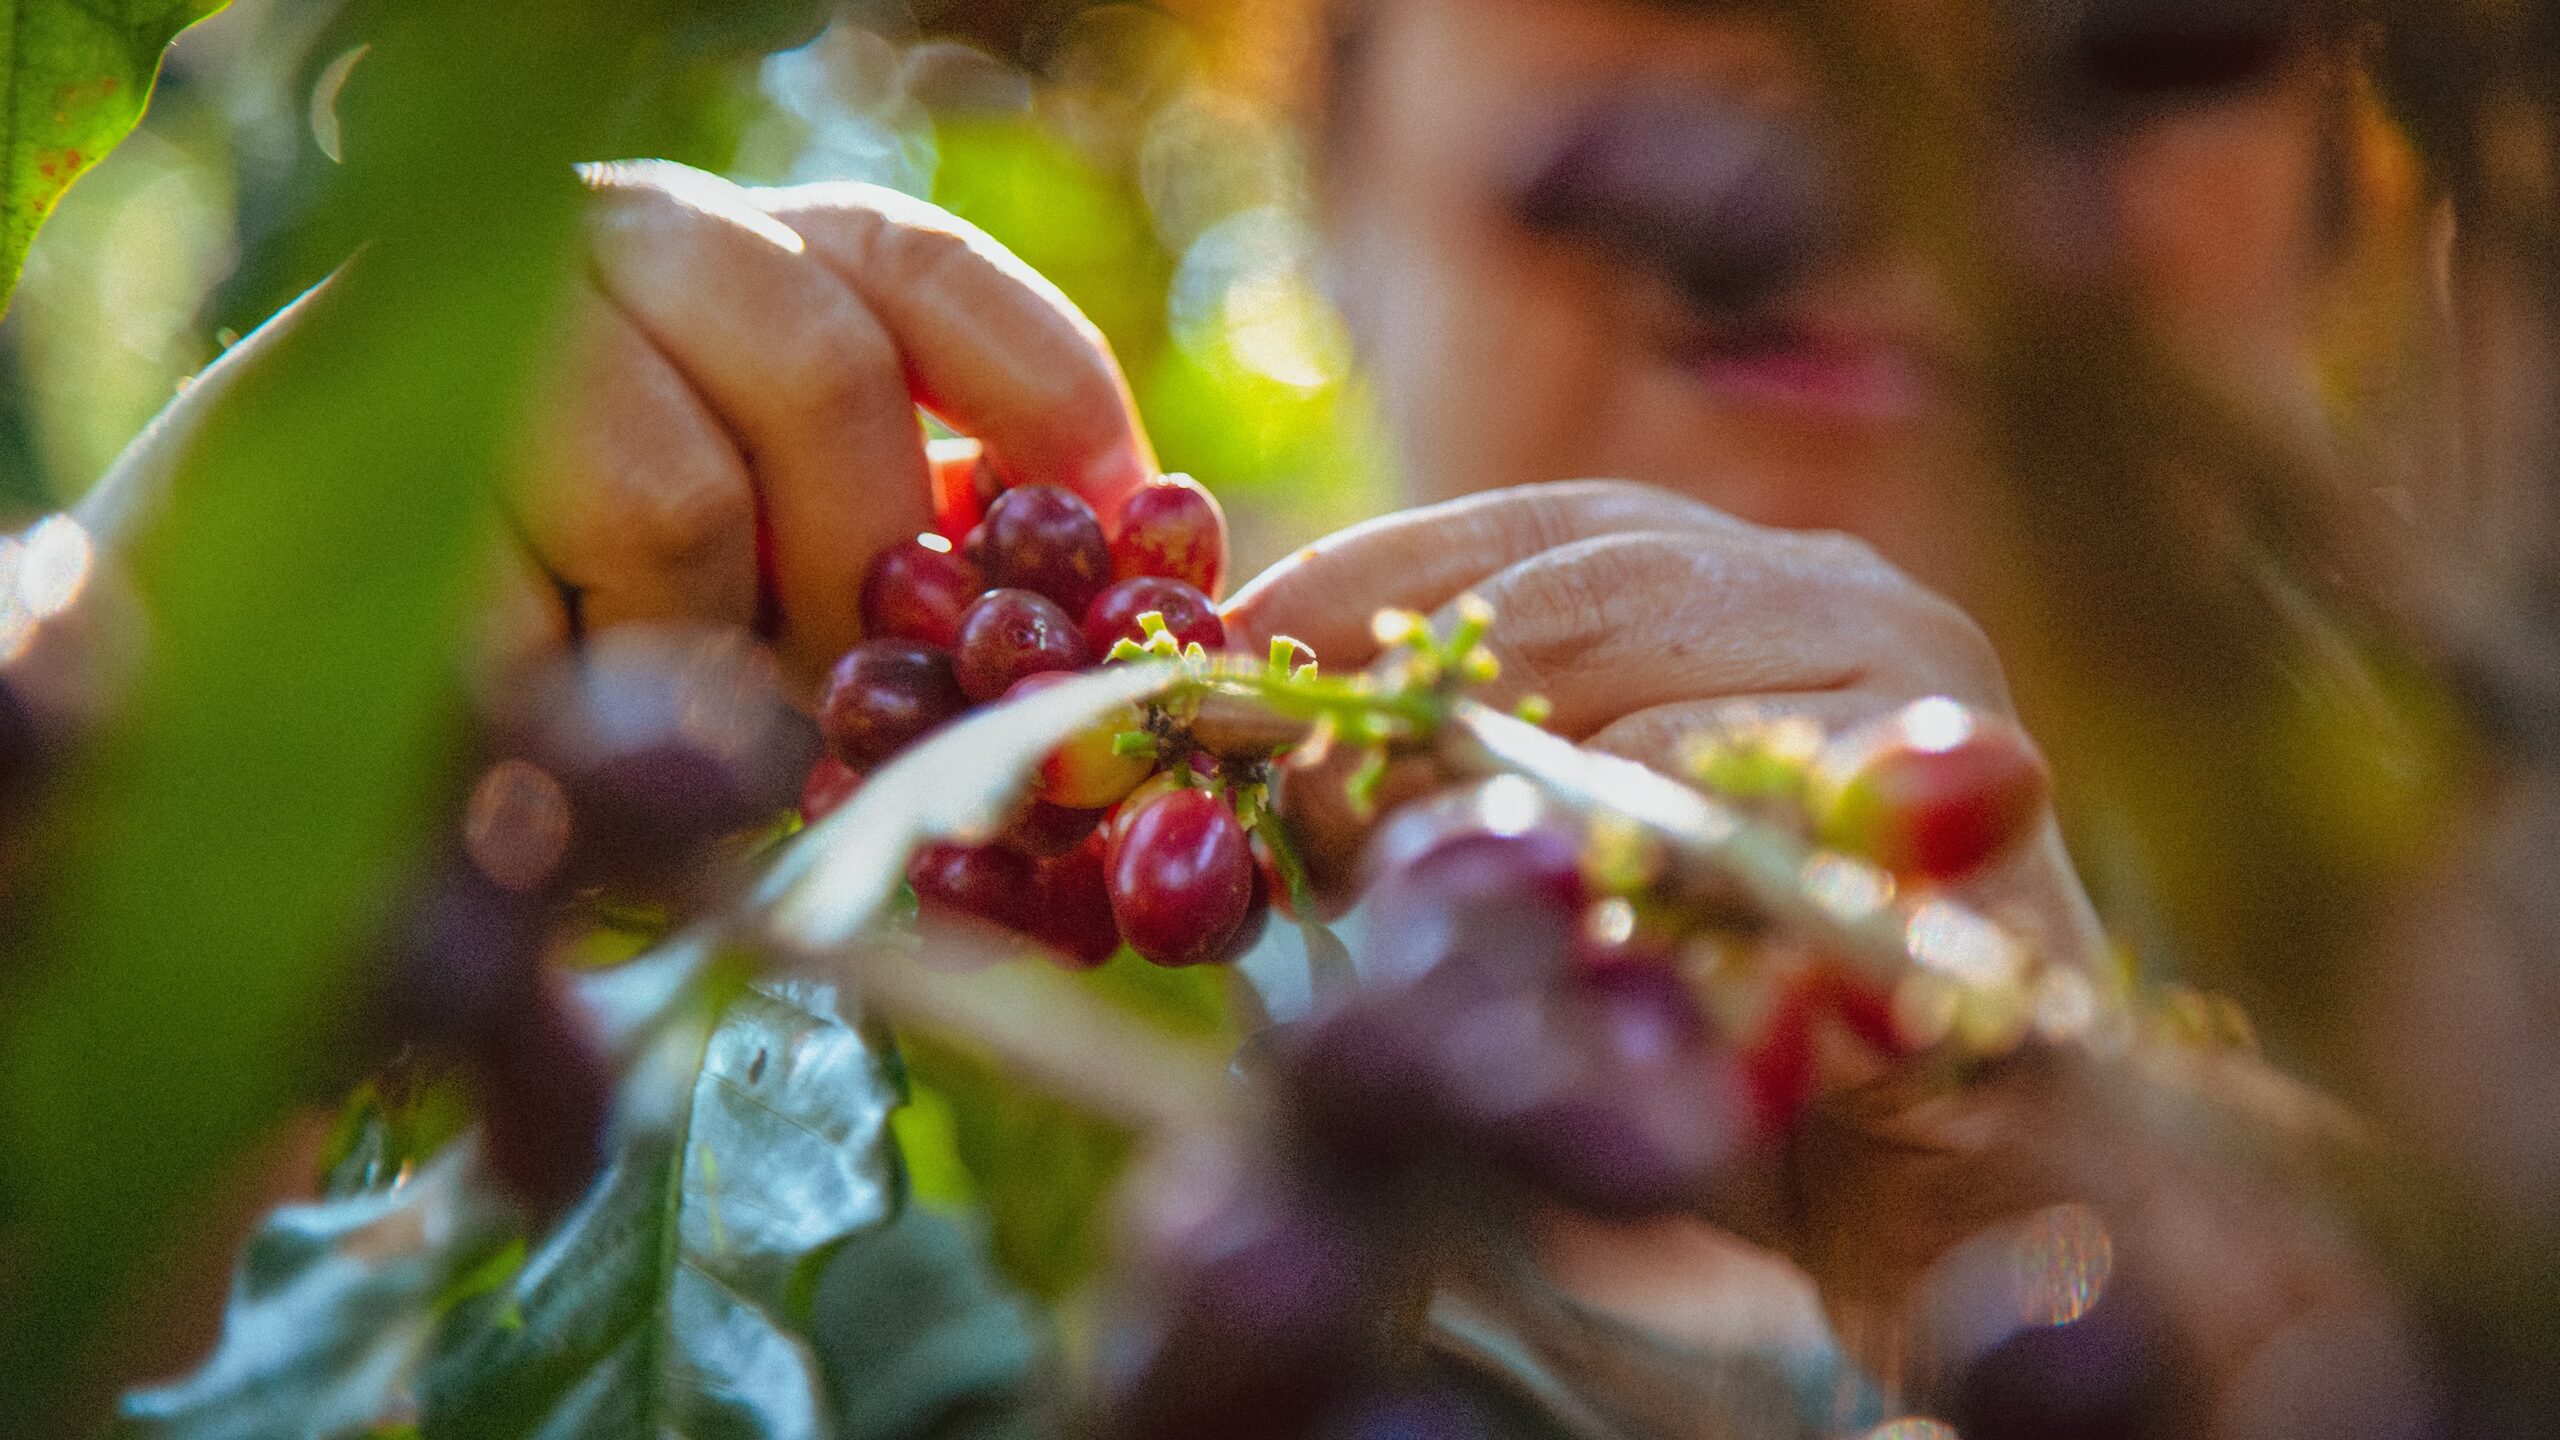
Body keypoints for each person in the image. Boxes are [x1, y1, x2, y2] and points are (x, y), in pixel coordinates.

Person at [78, 0, 2499, 1433]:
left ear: (2365, 208)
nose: (1875, 110)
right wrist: (140, 863)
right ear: (1338, 118)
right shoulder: (691, 905)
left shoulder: (2477, 1174)